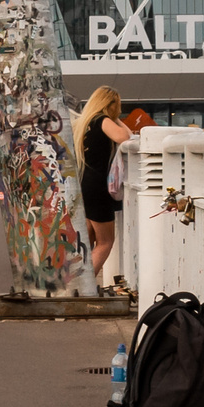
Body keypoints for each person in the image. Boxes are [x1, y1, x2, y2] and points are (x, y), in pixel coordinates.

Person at [74, 85, 134, 288]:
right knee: (105, 242)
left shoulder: (85, 123)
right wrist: (115, 118)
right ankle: (85, 288)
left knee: (88, 239)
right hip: (98, 188)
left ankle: (76, 285)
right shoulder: (103, 120)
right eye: (118, 105)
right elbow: (126, 136)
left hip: (84, 184)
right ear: (110, 104)